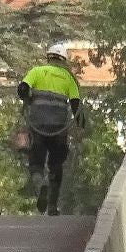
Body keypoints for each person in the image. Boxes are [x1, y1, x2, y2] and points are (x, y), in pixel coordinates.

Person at [18, 45, 82, 215]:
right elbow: (76, 106)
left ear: (48, 57)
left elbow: (22, 89)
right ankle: (53, 206)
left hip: (37, 126)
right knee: (56, 165)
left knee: (36, 162)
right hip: (59, 129)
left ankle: (41, 186)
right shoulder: (69, 78)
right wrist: (81, 126)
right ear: (63, 60)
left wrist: (28, 98)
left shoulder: (37, 71)